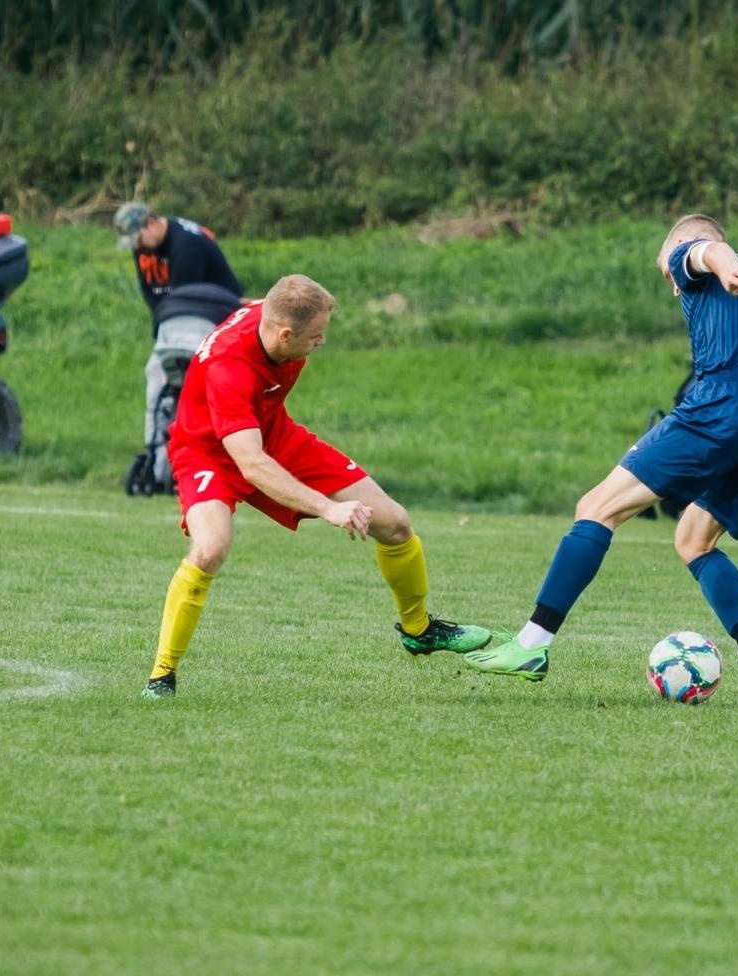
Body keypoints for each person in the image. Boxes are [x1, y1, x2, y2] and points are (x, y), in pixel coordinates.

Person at [465, 214, 738, 708]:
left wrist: (724, 265)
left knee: (596, 507)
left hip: (722, 401)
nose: (673, 285)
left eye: (668, 273)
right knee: (693, 541)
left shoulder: (699, 255)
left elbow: (705, 250)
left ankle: (532, 644)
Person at [141, 274, 488, 698]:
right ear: (285, 334)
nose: (321, 342)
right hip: (206, 451)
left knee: (395, 523)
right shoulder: (229, 370)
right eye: (315, 336)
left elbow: (267, 300)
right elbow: (251, 465)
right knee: (210, 547)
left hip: (273, 435)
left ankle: (419, 630)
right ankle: (162, 675)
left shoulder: (269, 313)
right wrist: (328, 508)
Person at [114, 201, 245, 463]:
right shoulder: (144, 247)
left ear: (151, 223)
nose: (137, 246)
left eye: (138, 238)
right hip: (177, 317)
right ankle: (157, 456)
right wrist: (162, 330)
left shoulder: (187, 246)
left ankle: (205, 452)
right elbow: (152, 293)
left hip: (212, 314)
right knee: (156, 374)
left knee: (194, 383)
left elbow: (185, 299)